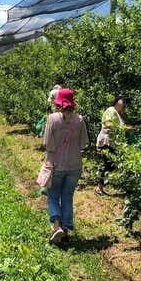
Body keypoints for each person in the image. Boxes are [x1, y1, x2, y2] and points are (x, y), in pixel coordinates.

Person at [42, 88, 89, 244]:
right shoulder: (80, 120)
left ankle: (57, 226)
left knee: (53, 196)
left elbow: (47, 144)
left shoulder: (52, 119)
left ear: (58, 103)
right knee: (67, 197)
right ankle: (66, 231)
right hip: (75, 165)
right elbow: (84, 144)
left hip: (56, 165)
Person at [95, 95, 134, 196]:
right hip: (106, 141)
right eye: (122, 102)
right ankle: (99, 188)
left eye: (124, 103)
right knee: (107, 164)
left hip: (113, 142)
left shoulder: (119, 113)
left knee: (112, 164)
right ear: (117, 102)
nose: (123, 104)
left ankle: (105, 185)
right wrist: (123, 128)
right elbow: (107, 124)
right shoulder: (110, 110)